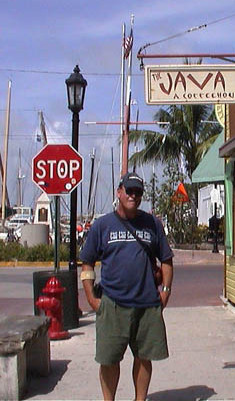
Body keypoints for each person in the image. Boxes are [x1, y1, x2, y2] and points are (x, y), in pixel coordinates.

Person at [80, 172, 174, 401]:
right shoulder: (103, 225)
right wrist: (92, 299)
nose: (133, 195)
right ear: (119, 192)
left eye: (138, 192)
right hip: (113, 305)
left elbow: (166, 260)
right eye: (129, 190)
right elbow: (87, 262)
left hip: (147, 305)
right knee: (109, 360)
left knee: (144, 358)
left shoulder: (153, 224)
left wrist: (165, 293)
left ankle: (139, 399)